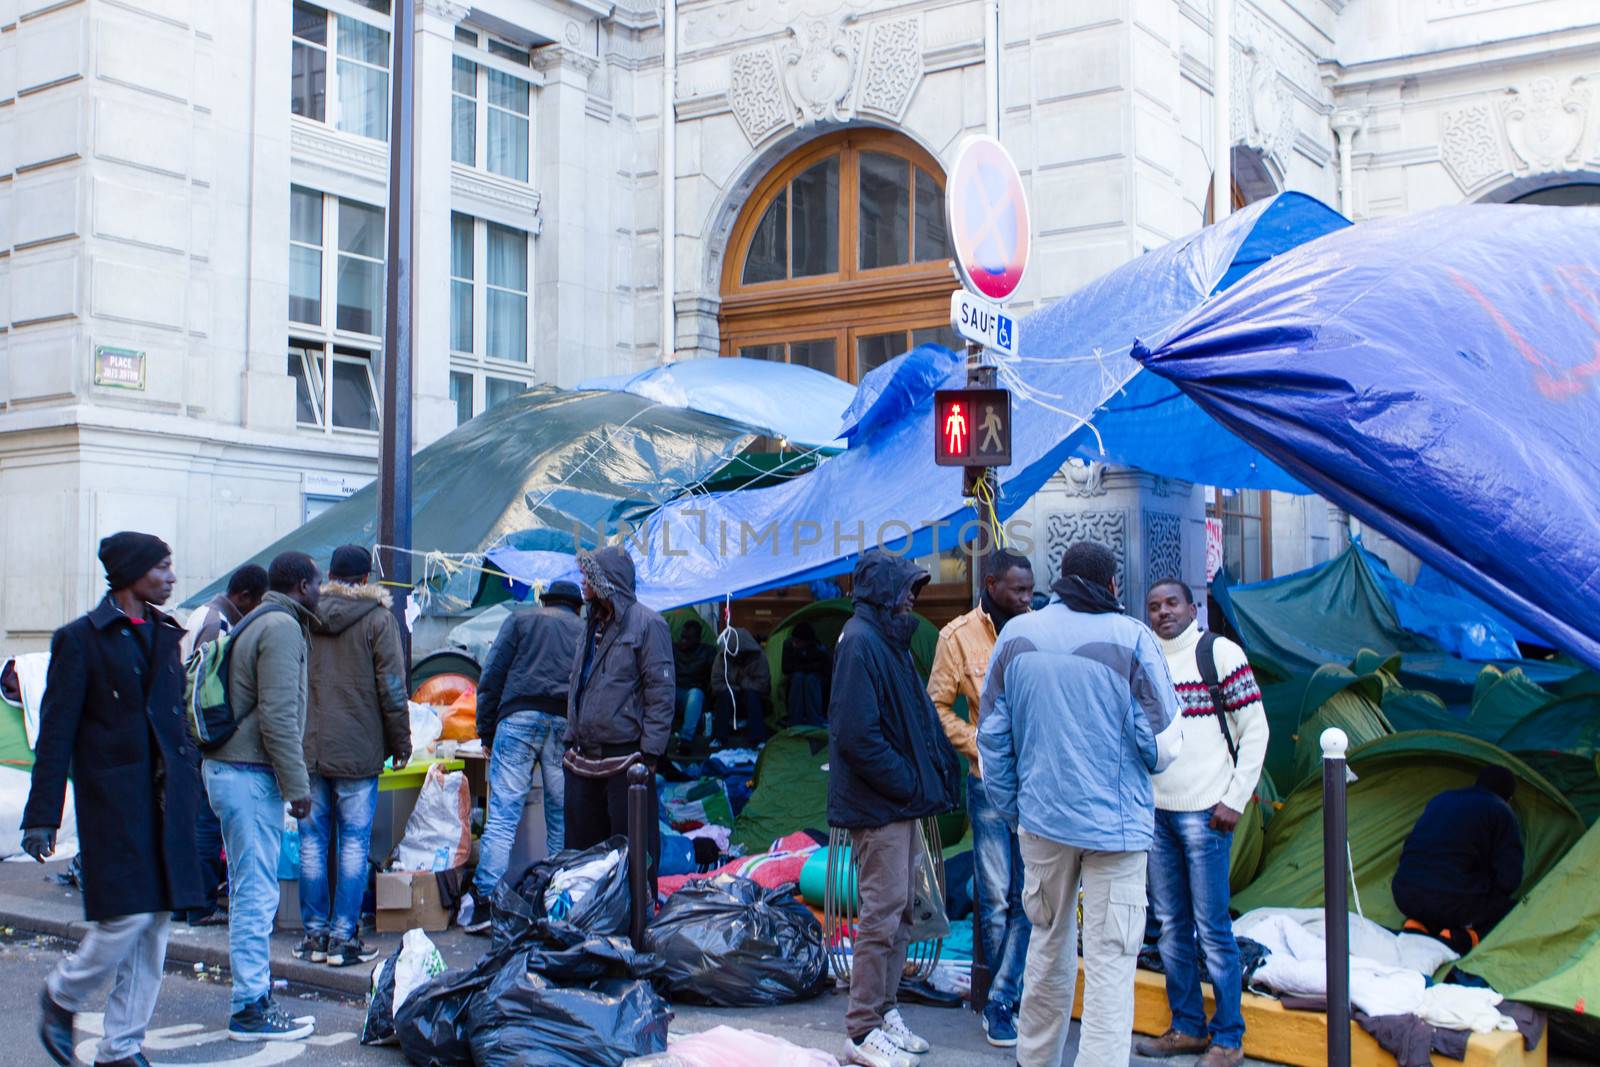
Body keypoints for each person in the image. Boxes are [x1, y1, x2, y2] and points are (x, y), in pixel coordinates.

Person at [977, 541, 1183, 1067]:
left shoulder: (1017, 635)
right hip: (1116, 831)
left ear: (1060, 578)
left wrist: (1014, 809)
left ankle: (1035, 1058)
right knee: (1113, 958)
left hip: (1041, 822)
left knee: (1046, 943)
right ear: (1113, 586)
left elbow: (992, 739)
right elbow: (1162, 748)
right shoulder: (1133, 639)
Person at [23, 532, 206, 1067]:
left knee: (155, 928)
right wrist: (42, 817)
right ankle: (61, 996)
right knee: (125, 919)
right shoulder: (80, 639)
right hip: (115, 803)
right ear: (132, 573)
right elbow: (56, 734)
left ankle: (121, 1048)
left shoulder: (166, 633)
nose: (172, 578)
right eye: (163, 568)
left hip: (167, 804)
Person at [828, 550, 961, 1067]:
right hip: (879, 807)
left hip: (896, 804)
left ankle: (884, 1012)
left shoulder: (886, 639)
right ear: (883, 592)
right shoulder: (861, 643)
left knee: (900, 912)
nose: (913, 598)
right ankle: (861, 1030)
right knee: (881, 916)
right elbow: (857, 737)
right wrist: (907, 783)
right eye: (906, 589)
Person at [1135, 579, 1269, 1067]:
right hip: (1156, 813)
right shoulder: (1145, 658)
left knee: (1212, 929)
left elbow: (1256, 729)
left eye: (1172, 603)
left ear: (1193, 607)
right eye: (1154, 606)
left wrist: (1235, 798)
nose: (1163, 612)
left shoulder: (1220, 654)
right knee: (1170, 927)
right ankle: (1188, 1027)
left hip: (1206, 811)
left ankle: (1229, 1037)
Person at [204, 551, 321, 1042]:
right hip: (249, 774)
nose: (322, 590)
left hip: (233, 769)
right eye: (318, 582)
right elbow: (278, 716)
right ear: (300, 584)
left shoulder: (259, 620)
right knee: (256, 895)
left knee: (251, 890)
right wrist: (297, 787)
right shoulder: (281, 628)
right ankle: (250, 1008)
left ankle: (253, 999)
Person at [927, 549, 1035, 1048]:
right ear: (991, 585)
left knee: (1029, 898)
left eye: (1031, 590)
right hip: (988, 780)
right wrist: (980, 745)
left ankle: (1005, 997)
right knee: (994, 898)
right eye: (1019, 590)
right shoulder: (956, 636)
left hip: (1037, 781)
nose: (1027, 598)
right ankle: (1000, 998)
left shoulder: (1041, 628)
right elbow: (937, 706)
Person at [293, 545, 411, 968]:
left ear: (328, 574)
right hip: (359, 750)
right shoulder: (379, 620)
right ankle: (344, 939)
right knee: (354, 844)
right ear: (366, 579)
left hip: (308, 747)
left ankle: (313, 936)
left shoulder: (303, 617)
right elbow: (393, 690)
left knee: (311, 842)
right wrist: (401, 743)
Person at [462, 579, 585, 932]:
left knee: (502, 816)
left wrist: (486, 729)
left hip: (516, 717)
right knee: (560, 816)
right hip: (564, 722)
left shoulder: (520, 620)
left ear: (545, 601)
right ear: (576, 606)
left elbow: (492, 675)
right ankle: (555, 899)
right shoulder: (584, 629)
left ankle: (486, 902)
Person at [563, 546, 673, 888]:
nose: (582, 581)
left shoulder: (648, 624)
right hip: (582, 758)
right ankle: (588, 918)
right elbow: (580, 683)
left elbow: (661, 692)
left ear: (605, 580)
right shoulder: (591, 623)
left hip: (627, 762)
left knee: (631, 851)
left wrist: (651, 754)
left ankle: (636, 922)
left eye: (588, 575)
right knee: (583, 856)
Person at [180, 563, 271, 926]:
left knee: (198, 819)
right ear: (244, 597)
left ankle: (189, 901)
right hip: (202, 734)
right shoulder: (219, 624)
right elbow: (207, 683)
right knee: (204, 822)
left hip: (191, 732)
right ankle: (199, 903)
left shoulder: (204, 613)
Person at [1392, 765, 1524, 943]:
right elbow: (1510, 879)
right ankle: (1462, 937)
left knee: (1444, 888)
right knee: (1513, 910)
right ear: (1508, 798)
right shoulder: (1501, 811)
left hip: (1405, 894)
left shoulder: (1441, 799)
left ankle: (1419, 923)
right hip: (1452, 902)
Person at [181, 564, 269, 662]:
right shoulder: (219, 624)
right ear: (244, 596)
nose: (260, 608)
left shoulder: (204, 610)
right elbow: (207, 675)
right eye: (260, 602)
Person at [710, 626, 771, 747]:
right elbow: (716, 684)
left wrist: (741, 682)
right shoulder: (721, 658)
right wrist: (736, 688)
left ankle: (757, 737)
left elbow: (763, 686)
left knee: (752, 695)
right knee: (726, 695)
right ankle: (719, 737)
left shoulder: (759, 658)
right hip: (730, 695)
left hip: (752, 697)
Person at [672, 619, 715, 746]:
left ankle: (686, 739)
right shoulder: (674, 649)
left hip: (696, 693)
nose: (684, 641)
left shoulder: (708, 652)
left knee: (695, 695)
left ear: (697, 639)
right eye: (683, 637)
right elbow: (664, 669)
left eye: (688, 638)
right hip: (676, 690)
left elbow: (716, 675)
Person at [782, 622, 832, 728]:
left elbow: (827, 670)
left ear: (807, 641)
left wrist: (807, 667)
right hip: (798, 678)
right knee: (798, 678)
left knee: (811, 680)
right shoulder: (788, 646)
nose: (795, 644)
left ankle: (815, 720)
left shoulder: (818, 648)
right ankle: (795, 720)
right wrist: (808, 667)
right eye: (794, 640)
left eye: (798, 641)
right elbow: (786, 668)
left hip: (815, 680)